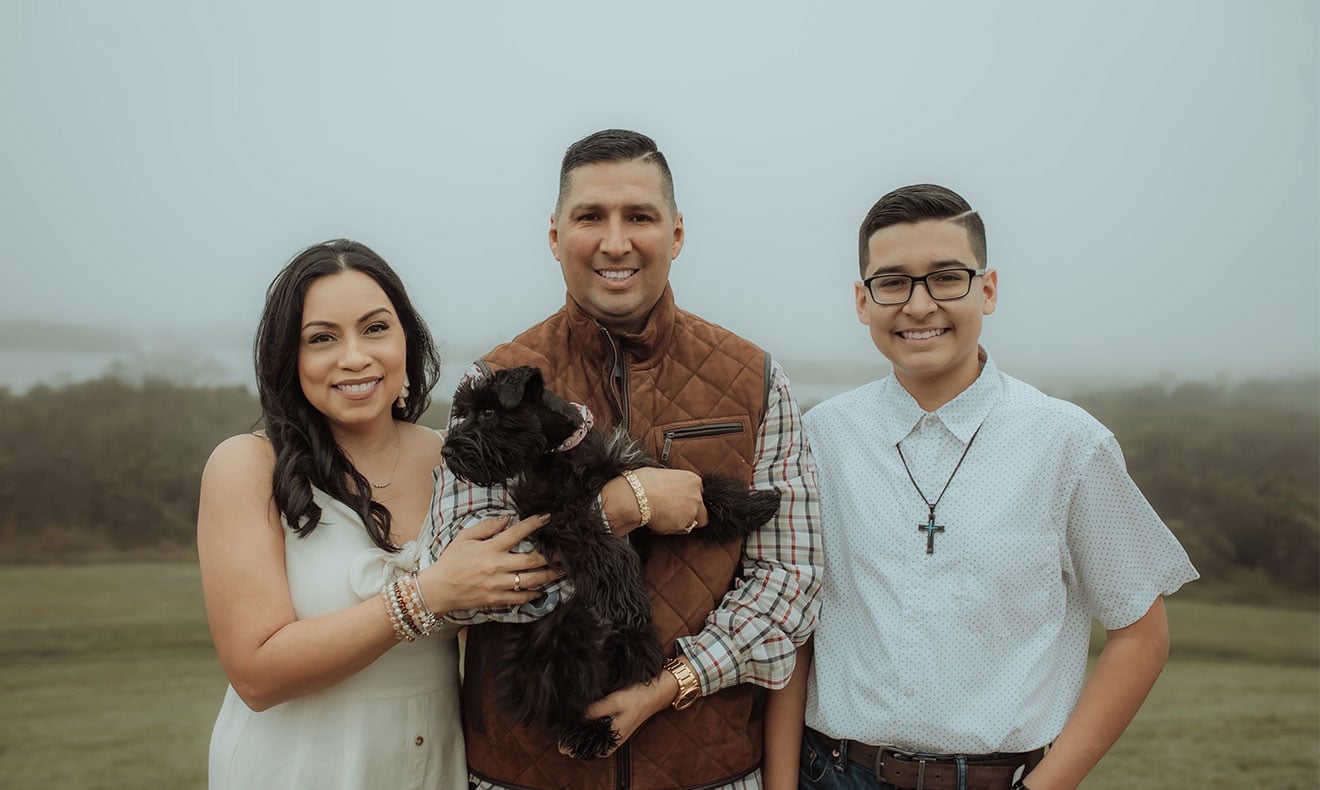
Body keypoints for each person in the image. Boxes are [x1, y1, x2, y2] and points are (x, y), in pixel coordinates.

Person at [425, 129, 822, 790]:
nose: (616, 242)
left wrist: (672, 683)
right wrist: (621, 507)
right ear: (555, 236)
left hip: (709, 775)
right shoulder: (493, 384)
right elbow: (462, 585)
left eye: (639, 216)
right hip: (526, 775)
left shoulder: (755, 380)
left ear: (676, 233)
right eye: (590, 217)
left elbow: (791, 580)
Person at [775, 184, 1199, 790]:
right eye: (892, 282)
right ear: (863, 301)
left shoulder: (1069, 444)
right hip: (834, 772)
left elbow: (1140, 634)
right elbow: (796, 630)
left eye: (946, 278)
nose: (919, 305)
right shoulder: (820, 437)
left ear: (988, 289)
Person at [199, 240, 558, 789]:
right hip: (297, 771)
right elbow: (257, 674)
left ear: (406, 341)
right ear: (288, 358)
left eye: (375, 329)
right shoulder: (247, 465)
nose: (354, 357)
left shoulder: (453, 459)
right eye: (322, 338)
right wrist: (425, 596)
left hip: (433, 768)